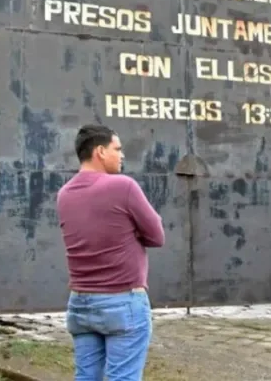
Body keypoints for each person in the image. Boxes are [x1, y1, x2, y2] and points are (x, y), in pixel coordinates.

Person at [57, 124, 165, 380]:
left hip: (80, 304)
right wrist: (132, 233)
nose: (122, 155)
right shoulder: (123, 187)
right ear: (100, 152)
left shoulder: (64, 194)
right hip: (122, 302)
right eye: (117, 149)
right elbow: (157, 236)